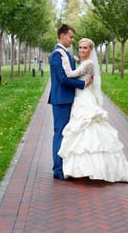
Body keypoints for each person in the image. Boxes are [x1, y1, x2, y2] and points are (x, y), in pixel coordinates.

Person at [57, 38, 128, 183]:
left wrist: (64, 57)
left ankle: (94, 169)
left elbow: (70, 74)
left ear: (91, 50)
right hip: (80, 97)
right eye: (80, 47)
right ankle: (81, 169)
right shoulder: (84, 63)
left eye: (85, 48)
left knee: (89, 129)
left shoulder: (89, 63)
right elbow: (79, 74)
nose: (81, 50)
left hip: (84, 99)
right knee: (81, 131)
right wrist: (72, 58)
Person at [48, 25, 93, 181]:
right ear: (62, 36)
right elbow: (63, 79)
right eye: (70, 37)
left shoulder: (66, 54)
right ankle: (58, 170)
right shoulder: (56, 55)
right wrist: (83, 84)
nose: (72, 40)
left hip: (68, 99)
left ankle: (65, 166)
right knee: (60, 133)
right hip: (61, 100)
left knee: (66, 134)